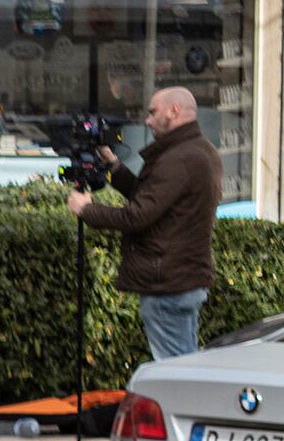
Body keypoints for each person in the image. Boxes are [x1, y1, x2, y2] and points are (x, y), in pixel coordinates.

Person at [71, 85, 221, 365]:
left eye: (152, 113)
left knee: (174, 373)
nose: (147, 120)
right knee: (186, 365)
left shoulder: (180, 158)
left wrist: (87, 210)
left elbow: (136, 216)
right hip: (183, 281)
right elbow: (151, 197)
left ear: (174, 111)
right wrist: (112, 163)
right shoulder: (199, 151)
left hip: (168, 286)